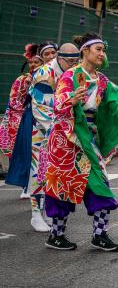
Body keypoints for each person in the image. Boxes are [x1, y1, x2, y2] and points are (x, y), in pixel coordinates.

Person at [44, 32, 118, 251]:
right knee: (63, 188)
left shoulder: (101, 80)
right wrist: (71, 99)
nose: (102, 54)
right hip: (68, 141)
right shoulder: (70, 76)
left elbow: (117, 101)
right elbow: (58, 105)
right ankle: (56, 235)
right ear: (85, 50)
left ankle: (100, 234)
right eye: (98, 49)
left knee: (100, 185)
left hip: (88, 141)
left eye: (103, 50)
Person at [6, 43, 80, 233]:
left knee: (51, 171)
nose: (73, 64)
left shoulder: (71, 72)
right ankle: (35, 214)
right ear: (61, 59)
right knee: (37, 169)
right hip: (39, 127)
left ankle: (46, 210)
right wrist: (64, 129)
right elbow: (43, 108)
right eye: (70, 61)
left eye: (76, 61)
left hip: (57, 125)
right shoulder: (44, 74)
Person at [0, 44, 42, 199]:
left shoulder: (47, 78)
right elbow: (14, 100)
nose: (33, 65)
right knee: (22, 153)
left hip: (40, 120)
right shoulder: (22, 80)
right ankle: (25, 186)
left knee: (36, 154)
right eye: (31, 62)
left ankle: (35, 186)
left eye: (36, 62)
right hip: (20, 120)